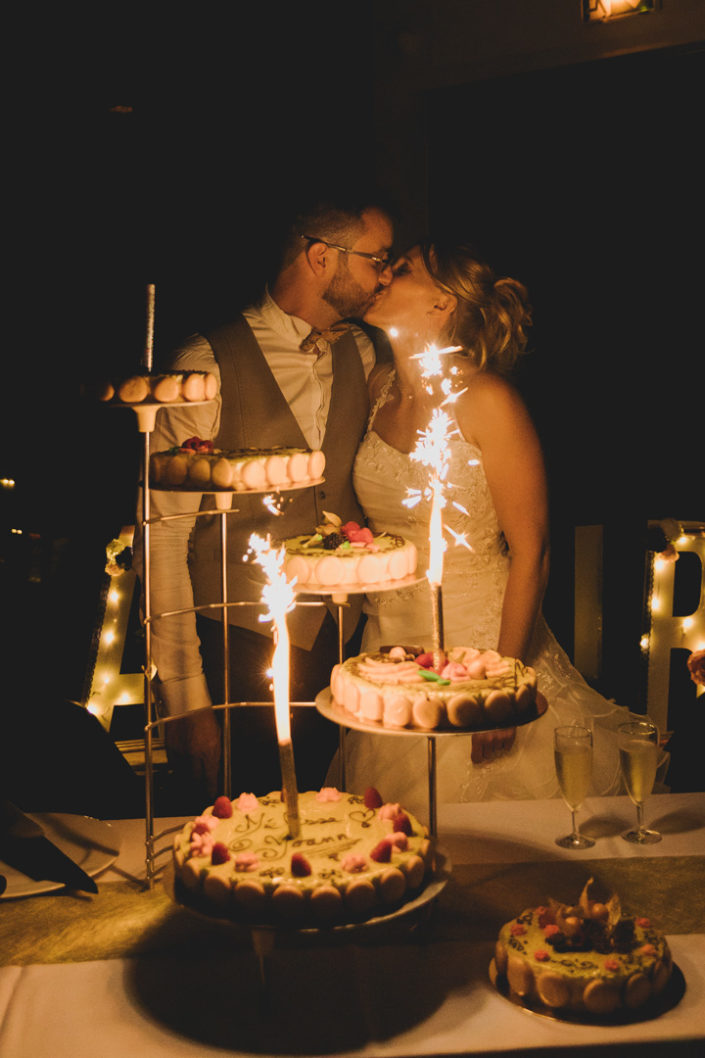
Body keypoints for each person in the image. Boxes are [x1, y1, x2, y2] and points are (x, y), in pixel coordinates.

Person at [337, 241, 658, 818]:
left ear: (441, 304)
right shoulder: (377, 385)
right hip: (388, 652)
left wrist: (501, 687)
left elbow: (532, 550)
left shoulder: (489, 399)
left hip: (481, 647)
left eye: (402, 269)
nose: (383, 274)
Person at [139, 196, 395, 806]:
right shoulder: (205, 366)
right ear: (319, 257)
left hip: (345, 641)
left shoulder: (361, 353)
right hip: (236, 647)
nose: (385, 275)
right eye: (376, 260)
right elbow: (163, 537)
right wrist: (185, 700)